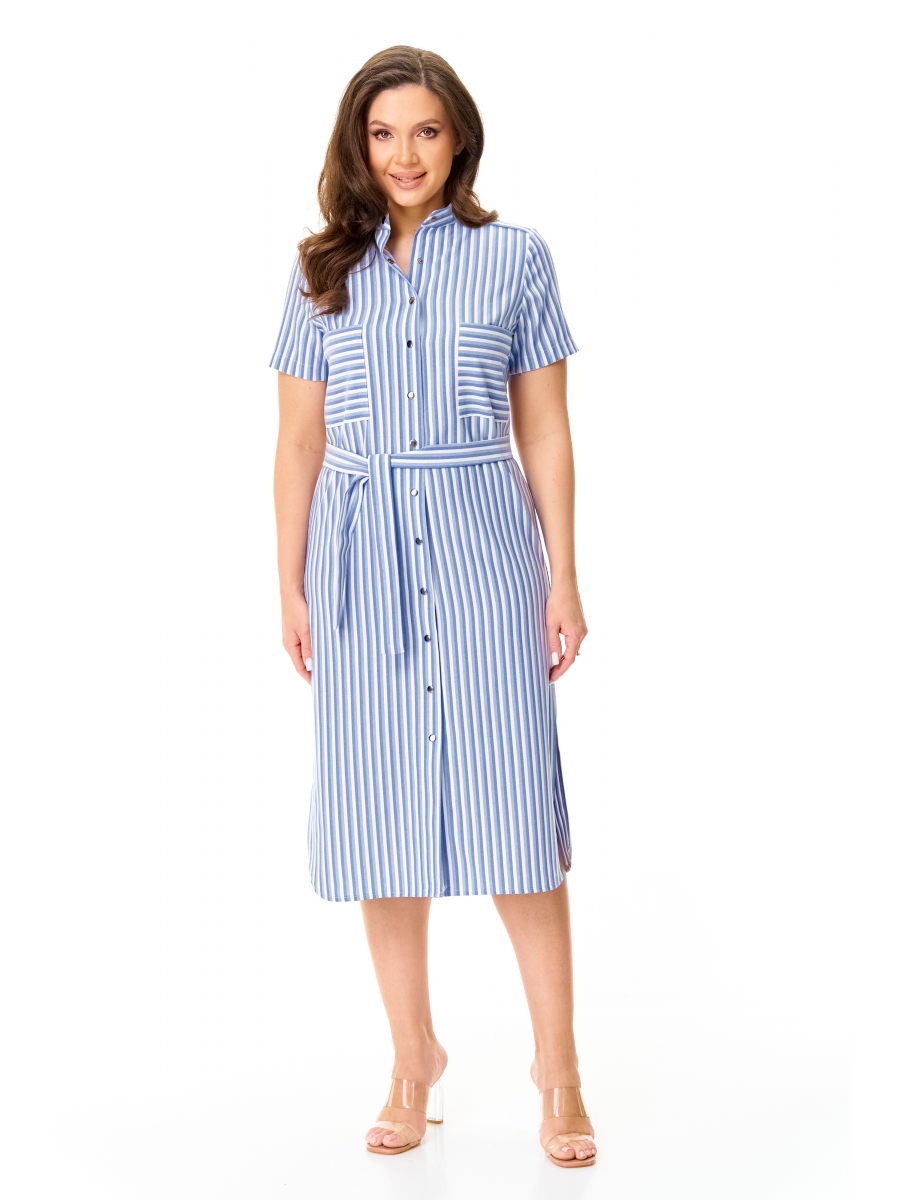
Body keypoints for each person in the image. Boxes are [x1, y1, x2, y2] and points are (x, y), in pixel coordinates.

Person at [270, 45, 593, 1167]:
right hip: (357, 560)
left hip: (483, 548)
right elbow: (298, 441)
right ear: (357, 145)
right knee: (379, 824)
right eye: (382, 133)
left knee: (514, 816)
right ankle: (414, 1060)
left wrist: (563, 573)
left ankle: (559, 1072)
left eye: (424, 130)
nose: (403, 155)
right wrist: (290, 583)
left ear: (459, 138)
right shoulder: (321, 270)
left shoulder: (516, 259)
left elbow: (543, 425)